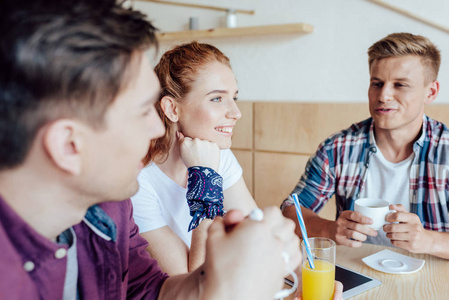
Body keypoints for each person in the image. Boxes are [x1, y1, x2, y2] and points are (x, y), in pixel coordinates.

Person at [0, 1, 303, 299]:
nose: (158, 130)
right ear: (68, 145)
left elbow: (151, 289)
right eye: (142, 111)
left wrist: (221, 275)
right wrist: (226, 291)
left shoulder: (111, 210)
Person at [281, 32, 449, 259]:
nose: (383, 95)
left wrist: (428, 240)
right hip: (357, 277)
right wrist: (330, 230)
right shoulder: (337, 148)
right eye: (376, 84)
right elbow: (291, 210)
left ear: (431, 92)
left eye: (400, 84)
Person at [131, 42, 257, 275]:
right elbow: (193, 283)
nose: (236, 113)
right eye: (217, 99)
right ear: (172, 109)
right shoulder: (136, 182)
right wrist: (205, 181)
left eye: (234, 98)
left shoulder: (219, 155)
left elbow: (258, 242)